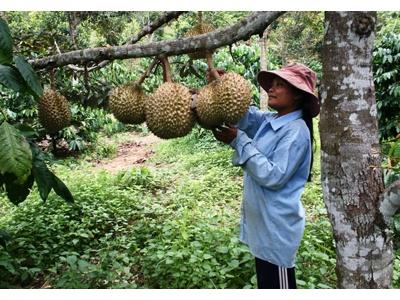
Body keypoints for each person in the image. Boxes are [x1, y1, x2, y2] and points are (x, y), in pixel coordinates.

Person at [212, 63, 320, 289]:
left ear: (298, 96)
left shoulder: (296, 131)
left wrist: (237, 140)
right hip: (265, 229)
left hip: (276, 232)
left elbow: (273, 175)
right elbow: (246, 117)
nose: (271, 88)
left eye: (280, 85)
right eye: (272, 84)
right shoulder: (271, 120)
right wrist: (221, 87)